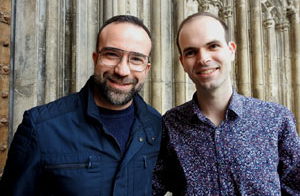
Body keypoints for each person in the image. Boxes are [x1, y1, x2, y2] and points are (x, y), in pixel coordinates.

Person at [0, 15, 162, 196]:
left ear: (147, 69)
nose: (122, 70)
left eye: (136, 59)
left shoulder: (156, 125)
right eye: (111, 54)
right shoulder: (39, 127)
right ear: (95, 59)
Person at [152, 12, 300, 195]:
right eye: (191, 52)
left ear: (231, 51)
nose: (203, 59)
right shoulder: (171, 124)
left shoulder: (275, 119)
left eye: (213, 46)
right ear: (183, 62)